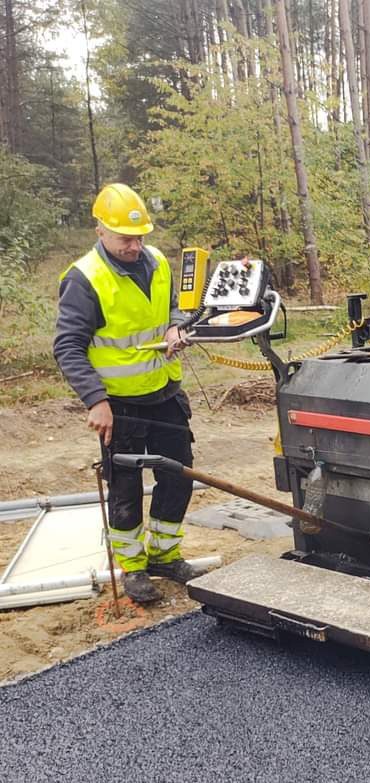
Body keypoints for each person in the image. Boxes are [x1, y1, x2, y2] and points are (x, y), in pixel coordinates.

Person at [54, 183, 196, 605]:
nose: (135, 246)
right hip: (120, 405)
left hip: (165, 393)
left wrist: (175, 325)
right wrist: (96, 401)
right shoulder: (84, 280)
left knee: (178, 475)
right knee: (126, 487)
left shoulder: (157, 261)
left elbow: (173, 305)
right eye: (124, 238)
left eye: (139, 237)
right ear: (100, 230)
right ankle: (133, 567)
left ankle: (165, 555)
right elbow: (67, 346)